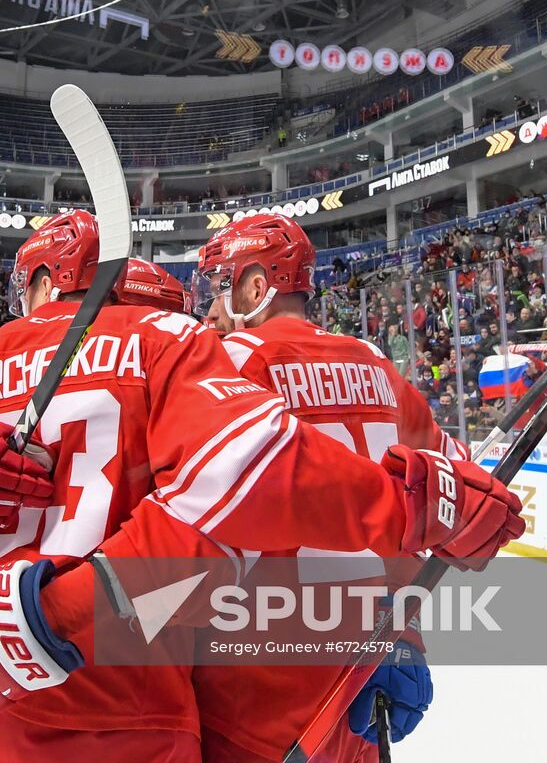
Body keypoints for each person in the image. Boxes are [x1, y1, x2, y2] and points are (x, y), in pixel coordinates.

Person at [0, 213, 522, 758]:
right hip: (183, 691)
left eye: (224, 288)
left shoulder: (2, 362)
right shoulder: (263, 357)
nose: (213, 307)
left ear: (42, 283)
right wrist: (390, 617)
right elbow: (378, 506)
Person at [190, 214, 468, 762]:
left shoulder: (231, 363)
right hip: (364, 685)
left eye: (222, 287)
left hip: (257, 693)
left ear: (254, 286)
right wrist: (404, 632)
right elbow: (447, 490)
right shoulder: (377, 365)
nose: (211, 308)